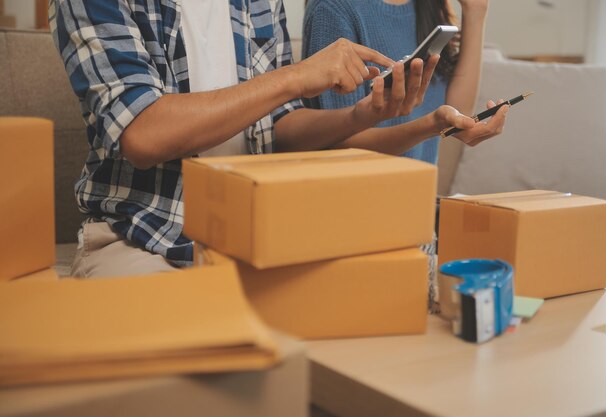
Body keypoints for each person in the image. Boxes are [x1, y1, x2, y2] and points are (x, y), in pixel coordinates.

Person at [49, 0, 505, 278]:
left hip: (254, 231)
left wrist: (362, 115)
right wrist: (295, 78)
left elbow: (279, 130)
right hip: (142, 236)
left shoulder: (255, 3)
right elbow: (143, 134)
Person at [303, 0, 497, 162]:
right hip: (362, 200)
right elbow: (339, 146)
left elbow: (457, 110)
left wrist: (476, 12)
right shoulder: (333, 9)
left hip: (419, 196)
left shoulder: (429, 5)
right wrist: (430, 125)